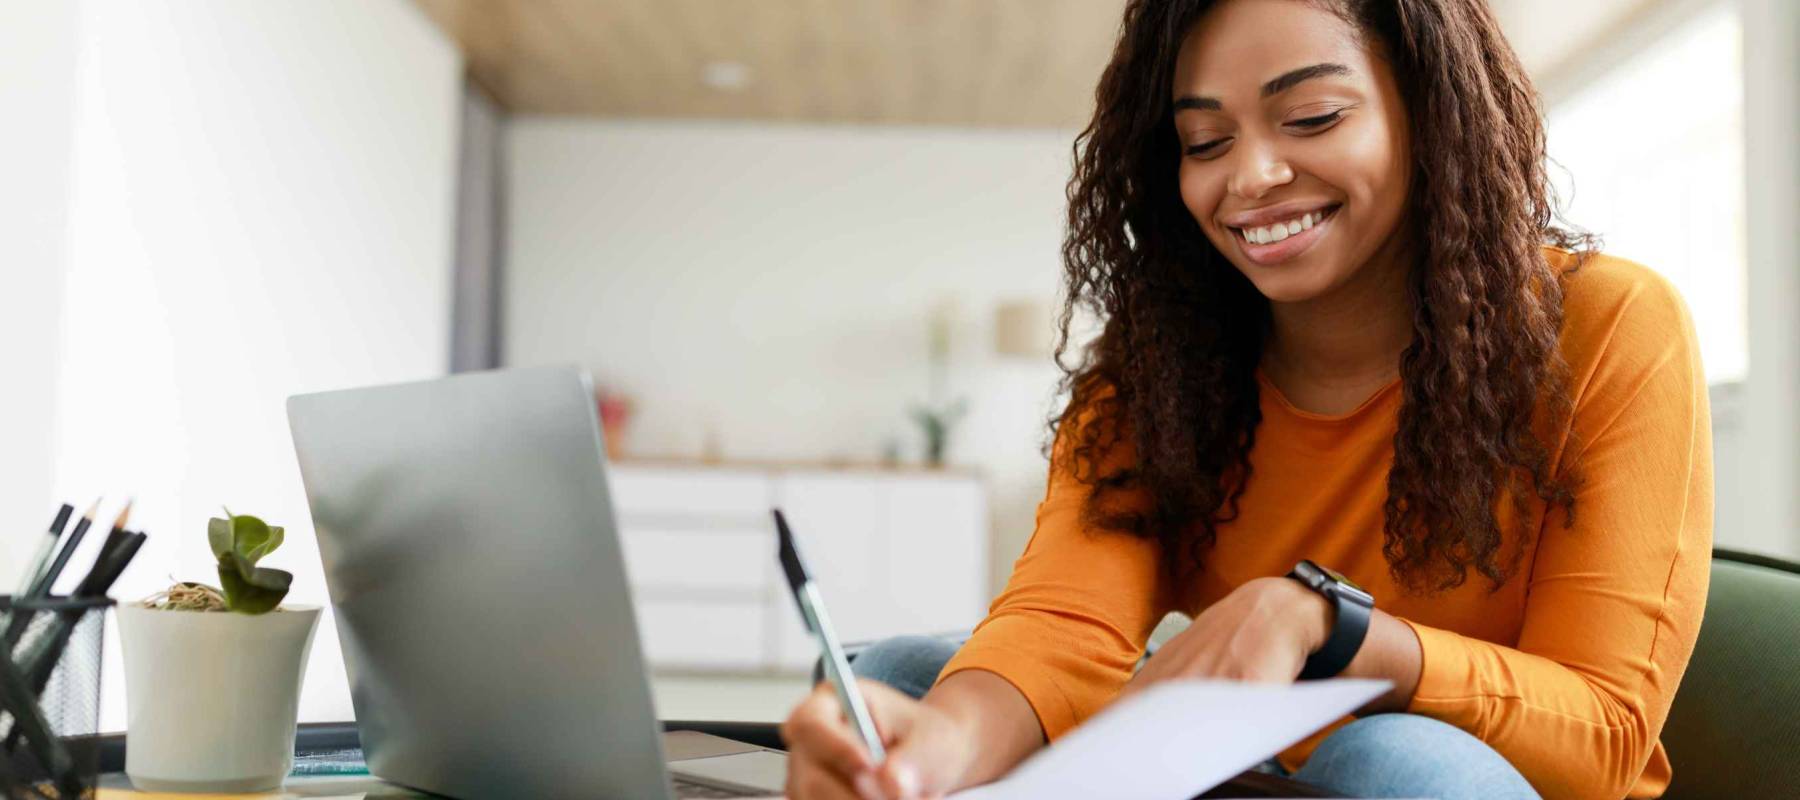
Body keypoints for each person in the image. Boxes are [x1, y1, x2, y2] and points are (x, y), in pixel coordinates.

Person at [780, 0, 1712, 797]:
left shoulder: (1610, 326)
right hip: (1246, 776)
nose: (1250, 178)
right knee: (899, 680)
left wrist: (1327, 626)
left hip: (1451, 779)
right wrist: (931, 754)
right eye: (1206, 141)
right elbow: (1065, 624)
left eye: (1310, 117)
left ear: (1428, 113)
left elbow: (1604, 733)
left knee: (1395, 756)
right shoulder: (1159, 369)